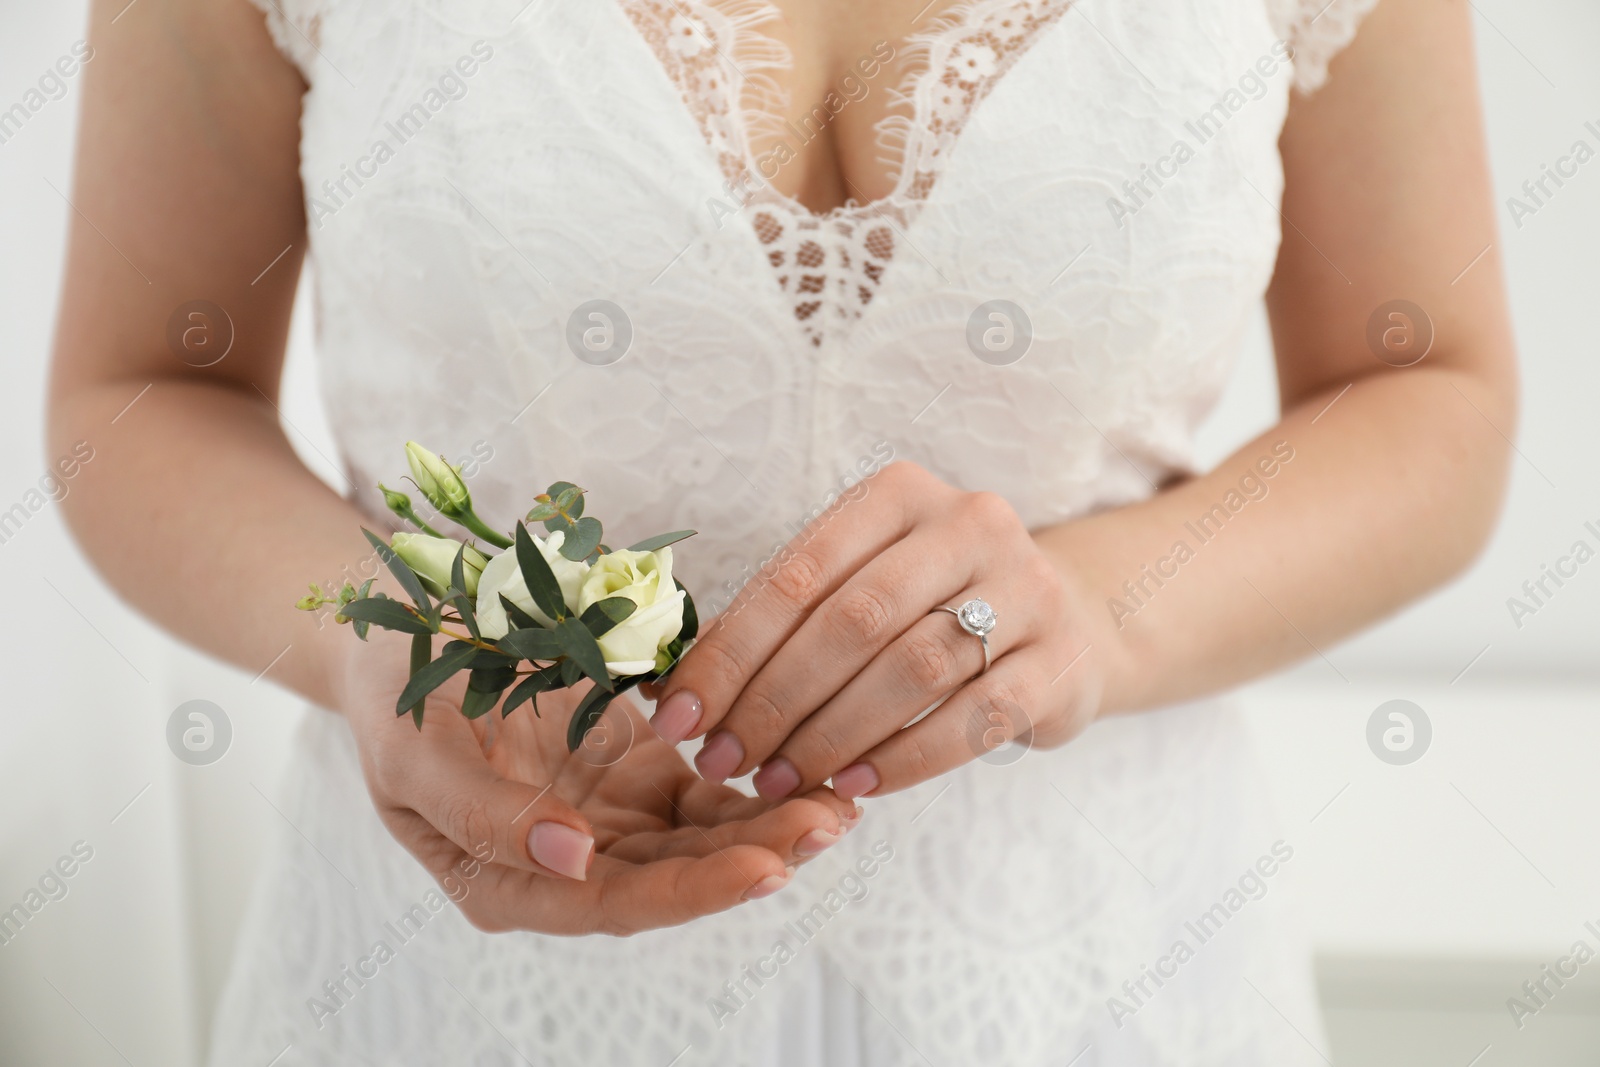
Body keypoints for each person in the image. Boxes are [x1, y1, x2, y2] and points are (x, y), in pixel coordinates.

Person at [48, 0, 1516, 1062]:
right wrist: (380, 648)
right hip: (465, 980)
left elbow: (1429, 387)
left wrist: (1099, 612)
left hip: (1103, 973)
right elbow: (140, 388)